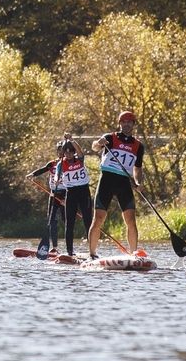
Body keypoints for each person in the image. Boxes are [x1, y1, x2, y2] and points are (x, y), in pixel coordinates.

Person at [88, 111, 146, 259]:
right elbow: (94, 147)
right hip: (107, 180)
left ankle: (134, 254)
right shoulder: (110, 138)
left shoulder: (138, 146)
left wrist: (139, 182)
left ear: (133, 124)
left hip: (124, 183)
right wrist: (99, 143)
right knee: (98, 218)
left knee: (131, 220)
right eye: (123, 121)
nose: (126, 124)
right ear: (120, 123)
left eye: (129, 122)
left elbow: (137, 168)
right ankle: (92, 254)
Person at [24, 140, 69, 254]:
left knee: (66, 221)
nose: (61, 153)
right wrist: (32, 175)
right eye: (59, 151)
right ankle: (54, 247)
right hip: (54, 194)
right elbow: (42, 170)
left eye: (63, 151)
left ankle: (70, 249)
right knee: (51, 220)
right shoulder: (52, 164)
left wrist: (67, 198)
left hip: (66, 194)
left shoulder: (69, 164)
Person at [56, 137, 93, 257]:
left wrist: (71, 140)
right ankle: (70, 251)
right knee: (69, 222)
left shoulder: (80, 159)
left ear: (74, 152)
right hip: (71, 193)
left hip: (84, 191)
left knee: (88, 220)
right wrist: (57, 180)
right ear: (63, 153)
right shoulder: (61, 164)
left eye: (71, 151)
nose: (68, 154)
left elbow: (80, 151)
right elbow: (57, 175)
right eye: (66, 152)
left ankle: (92, 251)